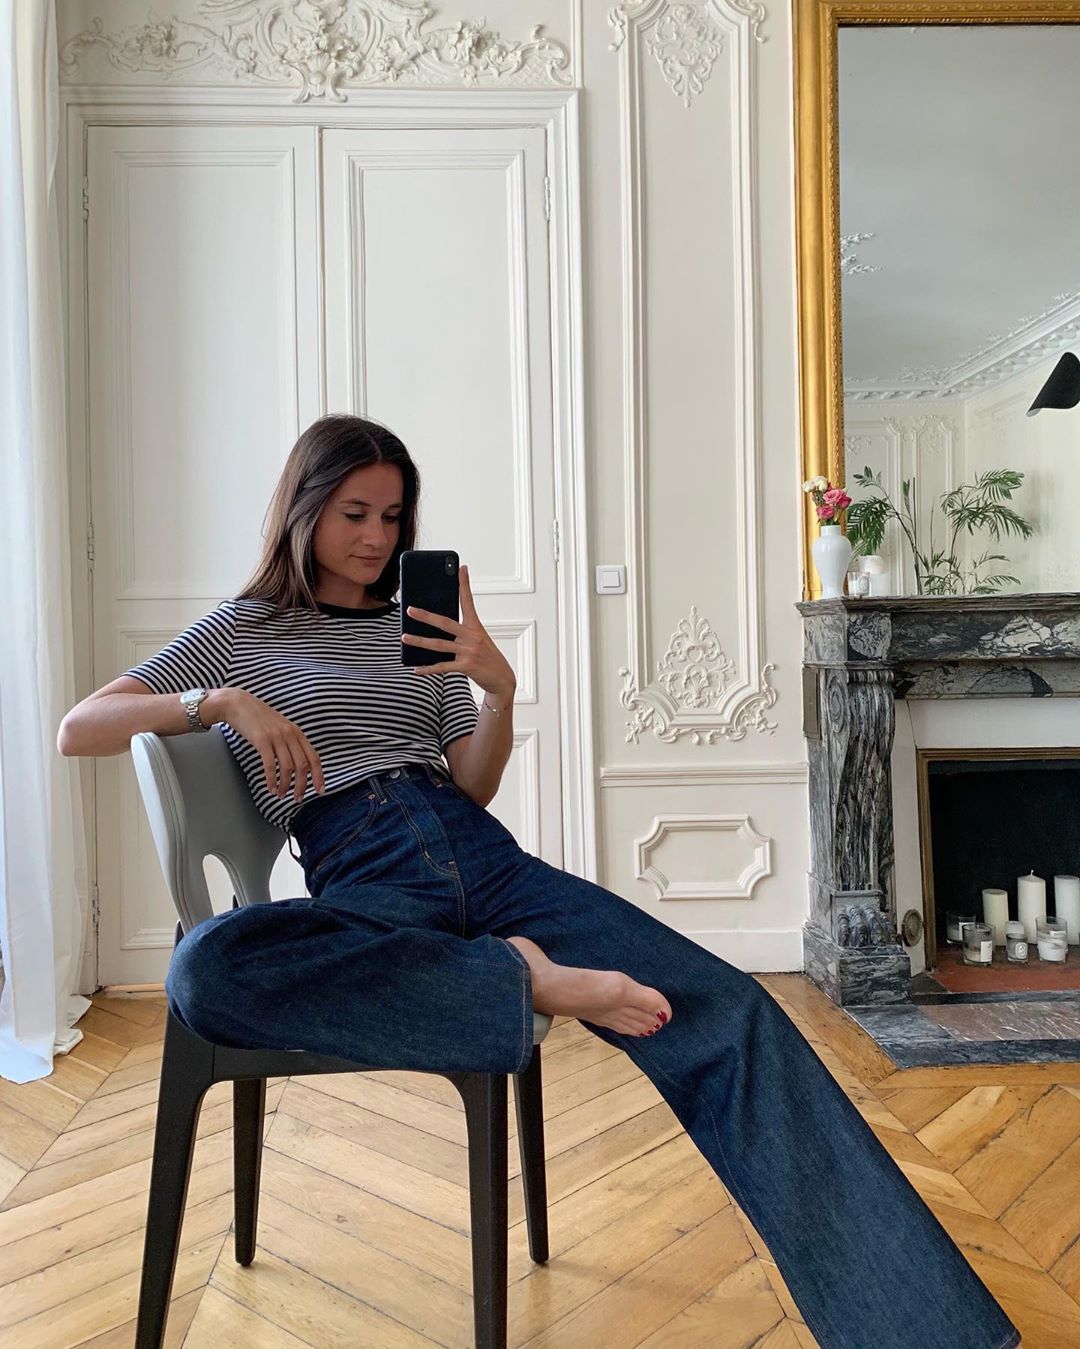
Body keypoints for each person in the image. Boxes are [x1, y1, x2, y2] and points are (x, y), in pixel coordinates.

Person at [57, 414, 1021, 1349]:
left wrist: (497, 689)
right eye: (354, 513)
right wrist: (218, 701)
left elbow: (472, 783)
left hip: (484, 856)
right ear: (303, 508)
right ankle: (525, 979)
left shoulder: (419, 630)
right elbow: (79, 726)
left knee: (734, 1011)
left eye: (392, 516)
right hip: (363, 867)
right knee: (206, 968)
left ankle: (925, 1333)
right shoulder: (245, 630)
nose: (376, 537)